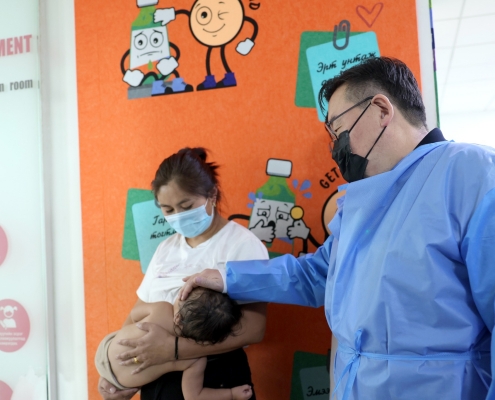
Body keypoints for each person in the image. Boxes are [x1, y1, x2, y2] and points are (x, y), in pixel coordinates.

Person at [179, 57, 495, 399]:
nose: (336, 149)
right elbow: (317, 274)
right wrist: (228, 278)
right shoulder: (363, 200)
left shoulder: (472, 173)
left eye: (339, 130)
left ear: (381, 110)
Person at [98, 147, 268, 400]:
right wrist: (113, 369)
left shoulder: (242, 245)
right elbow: (136, 314)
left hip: (215, 377)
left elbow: (254, 328)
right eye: (168, 210)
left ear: (212, 194)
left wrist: (174, 349)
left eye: (186, 206)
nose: (178, 216)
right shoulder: (166, 249)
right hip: (156, 381)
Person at [96, 287, 253, 400]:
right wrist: (232, 394)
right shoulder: (194, 360)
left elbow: (134, 315)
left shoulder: (161, 309)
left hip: (105, 351)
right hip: (120, 382)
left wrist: (132, 333)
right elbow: (194, 396)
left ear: (178, 317)